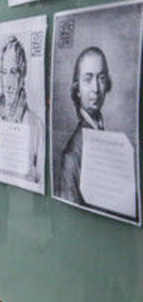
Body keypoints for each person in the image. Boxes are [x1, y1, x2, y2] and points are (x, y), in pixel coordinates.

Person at [0, 37, 44, 184]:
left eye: (13, 72)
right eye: (4, 72)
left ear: (22, 75)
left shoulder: (36, 125)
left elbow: (39, 179)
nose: (8, 82)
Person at [58, 47, 111, 205]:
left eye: (101, 78)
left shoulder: (101, 132)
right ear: (78, 89)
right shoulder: (73, 152)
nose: (96, 89)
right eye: (88, 79)